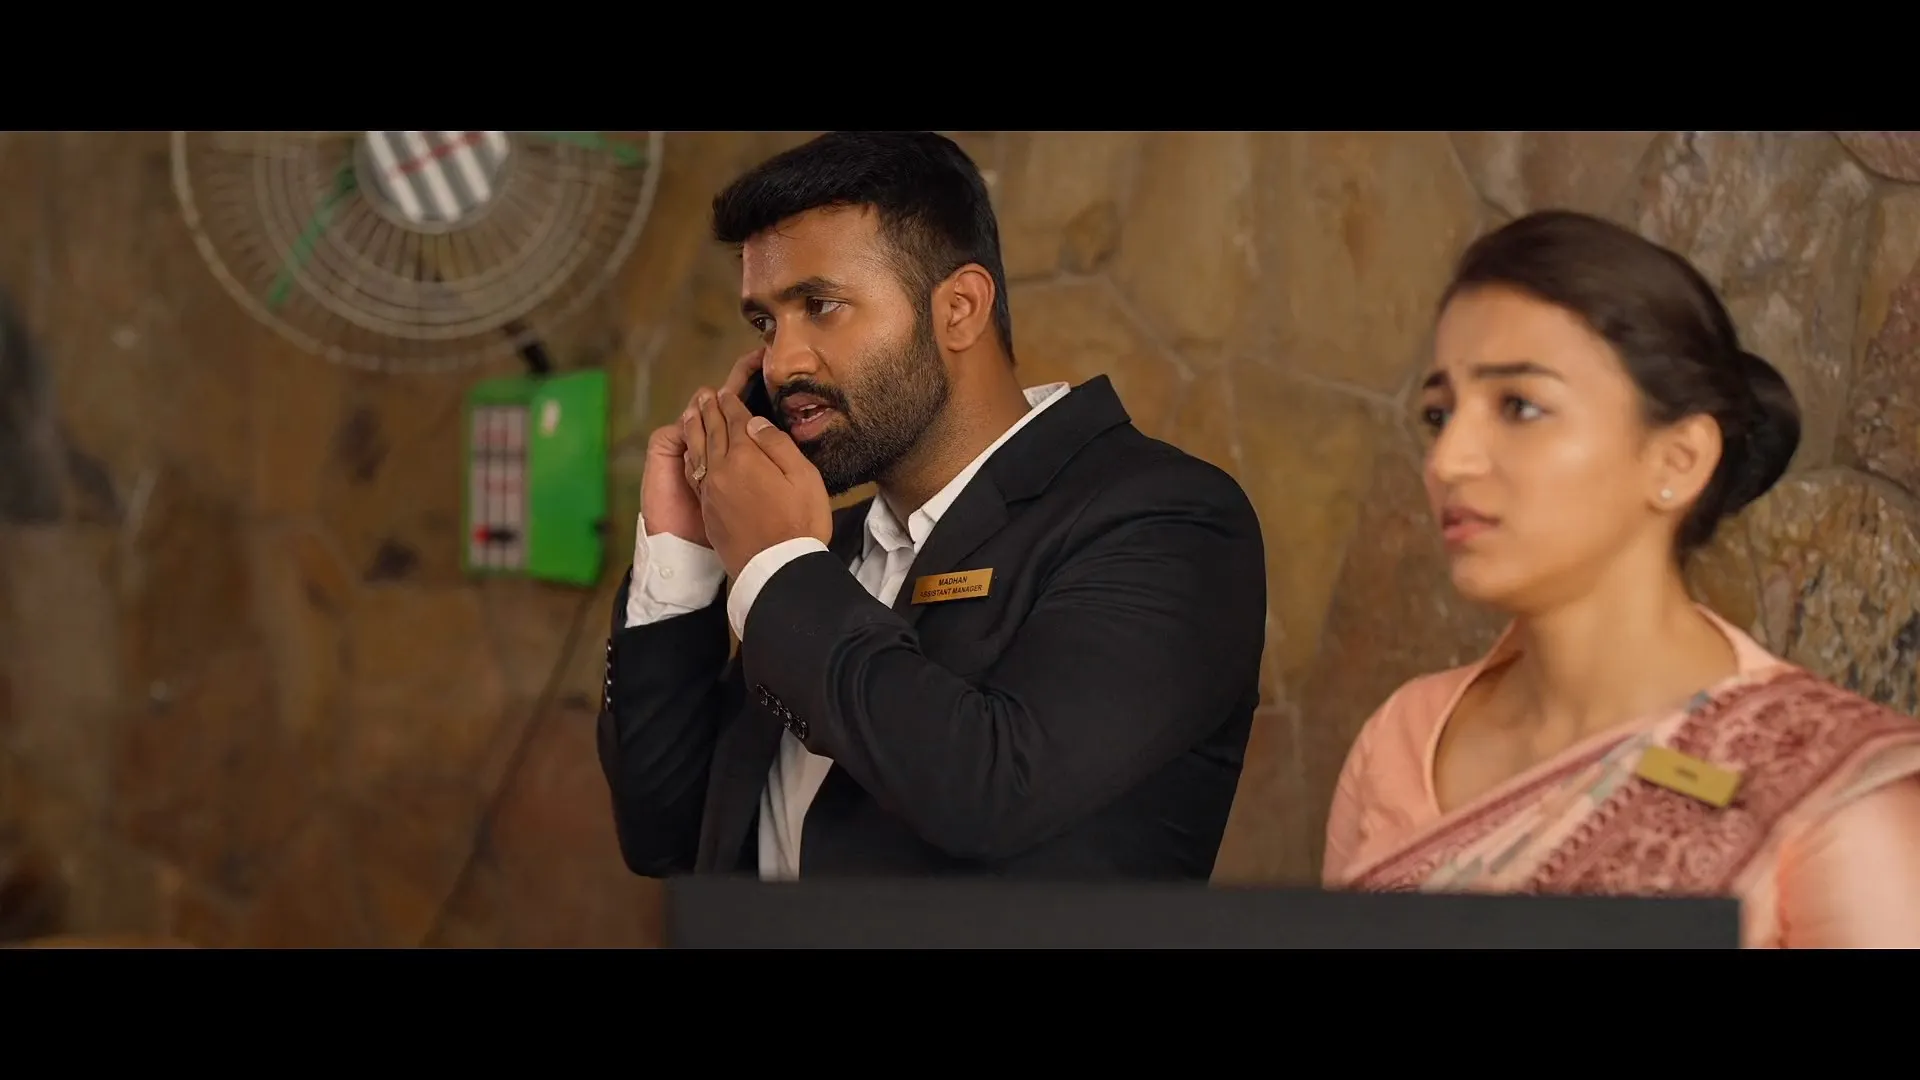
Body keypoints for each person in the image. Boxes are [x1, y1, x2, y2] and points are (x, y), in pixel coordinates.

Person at [597, 131, 1267, 882]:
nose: (782, 363)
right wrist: (685, 553)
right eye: (766, 324)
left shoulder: (1170, 521)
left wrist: (778, 567)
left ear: (959, 308)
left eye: (820, 305)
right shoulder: (823, 551)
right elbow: (663, 836)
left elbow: (992, 792)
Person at [1322, 209, 1920, 948]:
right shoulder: (1403, 737)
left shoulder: (1822, 789)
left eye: (1519, 406)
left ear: (1678, 460)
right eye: (1439, 415)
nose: (1449, 461)